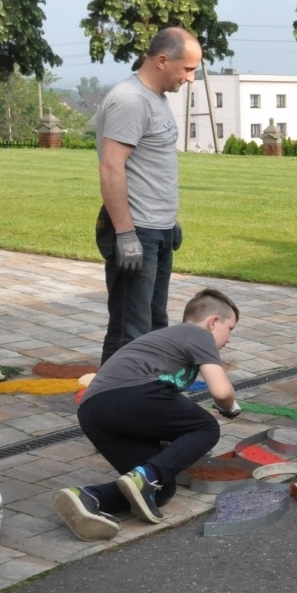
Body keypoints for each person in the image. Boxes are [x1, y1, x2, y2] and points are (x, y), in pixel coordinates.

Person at [50, 289, 243, 541]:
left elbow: (159, 412)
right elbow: (221, 391)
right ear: (213, 322)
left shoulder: (167, 340)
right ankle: (145, 477)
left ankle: (86, 498)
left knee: (160, 489)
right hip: (130, 395)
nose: (228, 340)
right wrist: (229, 408)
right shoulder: (198, 334)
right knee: (206, 427)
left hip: (95, 412)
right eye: (230, 329)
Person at [93, 27, 202, 363]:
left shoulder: (156, 98)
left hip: (157, 230)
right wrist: (125, 233)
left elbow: (150, 167)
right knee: (131, 329)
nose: (191, 78)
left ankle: (149, 400)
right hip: (136, 230)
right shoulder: (131, 100)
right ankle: (114, 405)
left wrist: (168, 222)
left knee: (154, 324)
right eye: (187, 69)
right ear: (162, 60)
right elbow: (111, 167)